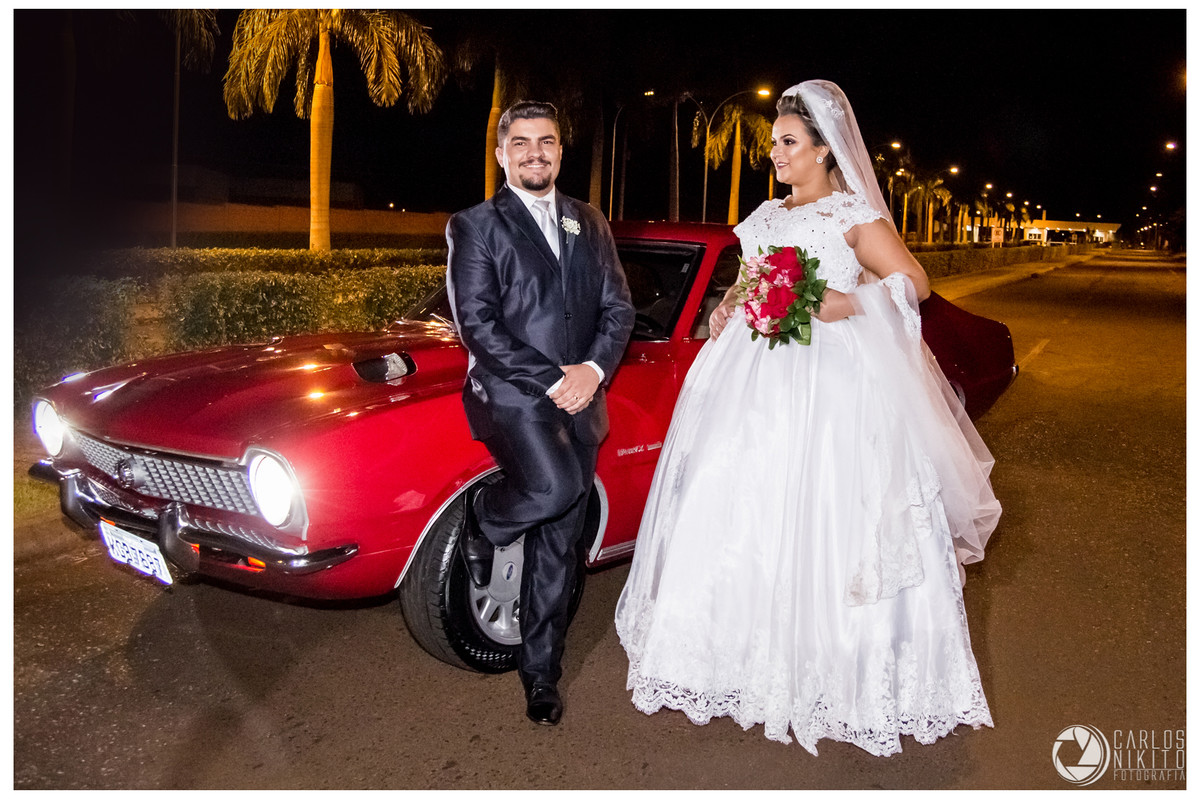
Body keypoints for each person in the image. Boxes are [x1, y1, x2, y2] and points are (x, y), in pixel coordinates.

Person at [613, 80, 1001, 756]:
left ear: (824, 149)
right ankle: (731, 657)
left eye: (788, 142)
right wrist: (728, 305)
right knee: (737, 504)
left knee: (828, 508)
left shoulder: (852, 216)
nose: (775, 154)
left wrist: (844, 305)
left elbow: (913, 281)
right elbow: (749, 278)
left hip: (834, 380)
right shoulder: (763, 216)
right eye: (773, 143)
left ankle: (837, 667)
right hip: (754, 373)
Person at [446, 101, 635, 726]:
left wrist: (593, 372)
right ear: (502, 153)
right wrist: (556, 378)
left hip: (584, 396)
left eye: (546, 142)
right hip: (513, 394)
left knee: (560, 542)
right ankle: (486, 517)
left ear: (560, 151)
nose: (535, 152)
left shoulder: (590, 220)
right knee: (555, 487)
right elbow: (479, 326)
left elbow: (618, 311)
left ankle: (540, 675)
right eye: (521, 142)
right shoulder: (475, 226)